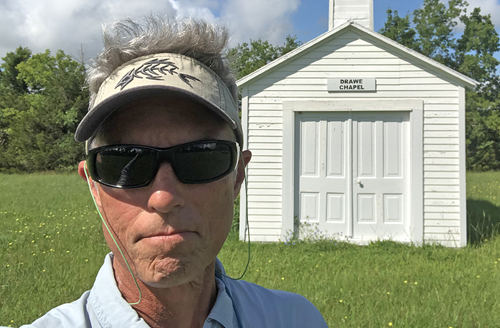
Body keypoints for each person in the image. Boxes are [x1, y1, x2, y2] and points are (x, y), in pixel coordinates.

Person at [21, 17, 327, 328]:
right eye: (124, 162)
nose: (164, 197)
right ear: (95, 188)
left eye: (200, 157)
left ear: (236, 177)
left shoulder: (298, 319)